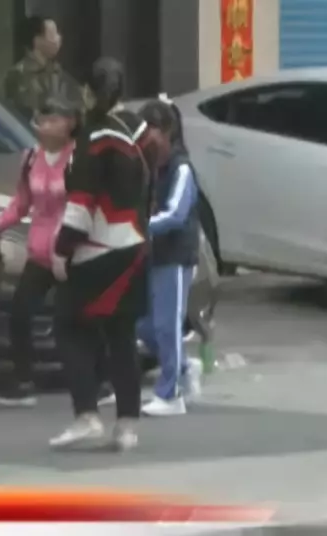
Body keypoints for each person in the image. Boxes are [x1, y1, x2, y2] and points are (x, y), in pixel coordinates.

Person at [48, 57, 150, 451]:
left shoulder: (94, 137)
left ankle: (87, 415)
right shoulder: (140, 132)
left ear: (88, 93)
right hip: (136, 246)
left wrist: (62, 250)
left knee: (68, 324)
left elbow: (81, 203)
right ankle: (127, 426)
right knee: (122, 335)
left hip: (99, 249)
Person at [0, 96, 115, 408]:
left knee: (83, 317)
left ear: (70, 123)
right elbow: (22, 202)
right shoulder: (31, 158)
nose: (45, 126)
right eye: (42, 120)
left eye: (54, 120)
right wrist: (0, 224)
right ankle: (23, 379)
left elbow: (90, 203)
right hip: (40, 252)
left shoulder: (80, 158)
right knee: (21, 312)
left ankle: (102, 380)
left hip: (73, 249)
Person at [136, 98, 204, 417]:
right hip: (154, 254)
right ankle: (185, 367)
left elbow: (176, 214)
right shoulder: (152, 168)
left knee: (167, 324)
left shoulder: (181, 168)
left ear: (166, 131)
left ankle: (170, 393)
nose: (144, 136)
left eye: (149, 129)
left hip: (175, 255)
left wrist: (139, 227)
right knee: (144, 325)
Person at [3, 14, 82, 123]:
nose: (58, 39)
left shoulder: (57, 71)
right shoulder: (18, 75)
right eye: (53, 34)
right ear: (37, 40)